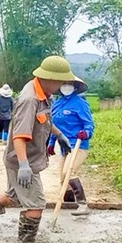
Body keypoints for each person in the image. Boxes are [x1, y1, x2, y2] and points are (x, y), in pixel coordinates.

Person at [0, 56, 73, 243]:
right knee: (35, 205)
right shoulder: (30, 99)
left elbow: (43, 120)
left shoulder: (43, 94)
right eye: (60, 81)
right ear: (51, 79)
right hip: (23, 160)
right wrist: (23, 165)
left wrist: (59, 135)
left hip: (27, 159)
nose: (62, 85)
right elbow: (19, 135)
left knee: (14, 196)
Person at [47, 76, 95, 216]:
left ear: (74, 87)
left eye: (69, 84)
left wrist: (86, 132)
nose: (66, 86)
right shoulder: (56, 104)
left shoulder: (80, 103)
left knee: (68, 172)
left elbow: (89, 124)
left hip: (79, 145)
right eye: (64, 84)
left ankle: (83, 205)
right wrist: (51, 144)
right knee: (63, 179)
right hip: (65, 147)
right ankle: (68, 203)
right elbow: (53, 125)